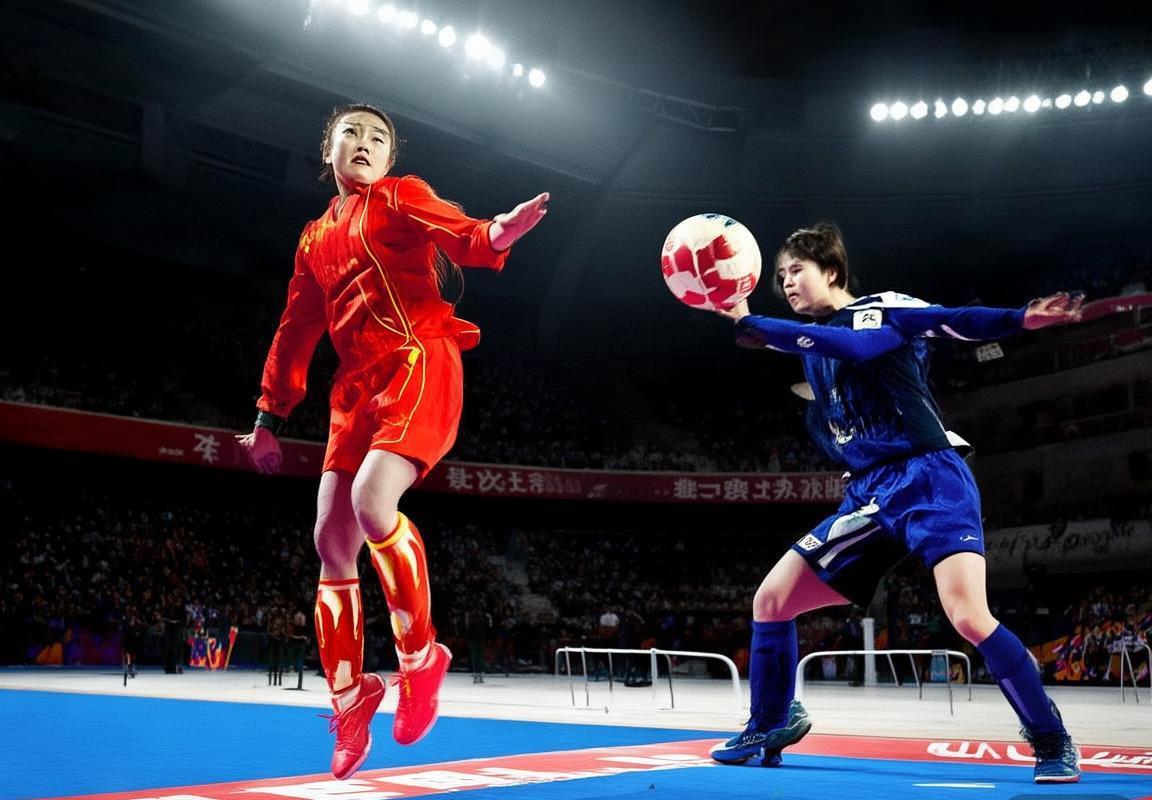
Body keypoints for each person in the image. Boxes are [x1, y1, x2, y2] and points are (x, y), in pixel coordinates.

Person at [705, 222, 1084, 784]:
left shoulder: (882, 312)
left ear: (831, 270)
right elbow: (808, 345)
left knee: (968, 616)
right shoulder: (812, 347)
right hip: (870, 493)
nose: (786, 282)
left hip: (931, 479)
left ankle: (1052, 740)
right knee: (772, 599)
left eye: (796, 270)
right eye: (780, 275)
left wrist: (1021, 318)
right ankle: (770, 722)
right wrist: (751, 323)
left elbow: (943, 322)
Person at [237, 102, 548, 780]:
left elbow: (462, 233)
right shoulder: (313, 239)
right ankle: (350, 701)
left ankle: (419, 657)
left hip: (418, 357)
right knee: (330, 540)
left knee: (374, 503)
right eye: (351, 132)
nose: (366, 143)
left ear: (389, 158)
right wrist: (269, 414)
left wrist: (499, 231)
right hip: (354, 391)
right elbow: (296, 328)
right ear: (329, 149)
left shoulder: (402, 196)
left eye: (378, 137)